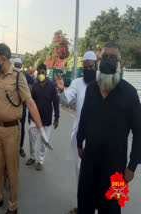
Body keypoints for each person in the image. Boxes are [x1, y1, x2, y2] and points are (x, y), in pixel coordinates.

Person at [0, 43, 51, 214]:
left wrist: (41, 130)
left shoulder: (18, 77)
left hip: (13, 130)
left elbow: (29, 102)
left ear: (4, 59)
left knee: (12, 170)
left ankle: (13, 206)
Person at [76, 43, 141, 214]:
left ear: (121, 63)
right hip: (89, 164)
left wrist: (132, 166)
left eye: (113, 58)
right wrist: (79, 143)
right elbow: (84, 118)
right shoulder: (91, 88)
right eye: (105, 57)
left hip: (117, 170)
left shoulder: (130, 93)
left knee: (113, 210)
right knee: (84, 206)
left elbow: (139, 131)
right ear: (99, 59)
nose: (109, 60)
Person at [54, 51, 97, 214]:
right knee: (81, 176)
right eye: (85, 68)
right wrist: (60, 90)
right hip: (81, 138)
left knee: (99, 177)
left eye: (91, 67)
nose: (88, 70)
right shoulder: (78, 83)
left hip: (99, 138)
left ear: (96, 65)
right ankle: (83, 207)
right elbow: (66, 100)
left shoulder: (103, 82)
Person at [26, 63, 59, 170]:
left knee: (44, 141)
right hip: (35, 119)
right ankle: (32, 156)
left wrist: (57, 118)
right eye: (39, 72)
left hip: (46, 119)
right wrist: (29, 116)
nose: (41, 74)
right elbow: (30, 103)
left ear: (46, 73)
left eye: (42, 72)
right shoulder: (34, 86)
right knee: (31, 135)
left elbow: (56, 102)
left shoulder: (52, 86)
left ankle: (40, 161)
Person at [14, 58, 34, 157]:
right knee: (12, 127)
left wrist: (29, 91)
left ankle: (21, 147)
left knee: (21, 127)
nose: (17, 67)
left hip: (22, 106)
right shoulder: (11, 75)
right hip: (12, 107)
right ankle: (12, 146)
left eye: (18, 65)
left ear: (21, 66)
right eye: (15, 65)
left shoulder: (25, 75)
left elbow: (33, 81)